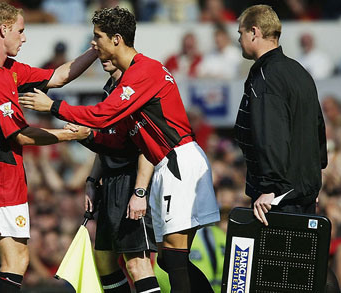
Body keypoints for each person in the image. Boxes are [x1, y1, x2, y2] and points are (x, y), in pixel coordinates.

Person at [20, 6, 220, 292]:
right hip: (168, 164)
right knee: (168, 259)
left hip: (177, 161)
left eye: (97, 37)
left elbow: (103, 114)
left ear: (116, 39)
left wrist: (53, 107)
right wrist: (85, 137)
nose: (93, 44)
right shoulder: (128, 79)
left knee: (171, 259)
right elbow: (115, 138)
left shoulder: (144, 71)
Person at [0, 3, 96, 293]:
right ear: (4, 30)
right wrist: (69, 135)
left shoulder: (4, 70)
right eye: (21, 31)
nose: (24, 38)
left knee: (7, 259)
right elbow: (20, 136)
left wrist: (96, 50)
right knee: (16, 261)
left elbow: (58, 76)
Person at [235, 5, 339, 291]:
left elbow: (271, 136)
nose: (239, 39)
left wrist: (270, 188)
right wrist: (313, 185)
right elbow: (319, 130)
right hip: (303, 191)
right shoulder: (299, 72)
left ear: (254, 32)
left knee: (282, 277)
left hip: (279, 196)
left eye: (241, 32)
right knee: (310, 269)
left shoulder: (266, 77)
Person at [84, 59, 160, 293]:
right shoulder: (109, 90)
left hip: (131, 181)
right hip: (110, 183)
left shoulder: (134, 89)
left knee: (137, 264)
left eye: (101, 39)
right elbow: (106, 143)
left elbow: (147, 145)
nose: (99, 52)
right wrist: (91, 180)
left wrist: (140, 192)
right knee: (104, 262)